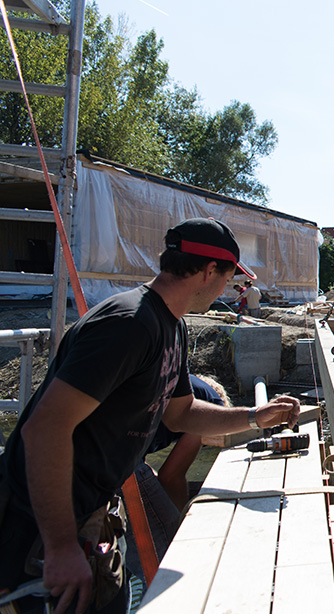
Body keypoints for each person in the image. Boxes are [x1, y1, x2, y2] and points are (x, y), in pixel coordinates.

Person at [0, 217, 300, 614]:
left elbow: (181, 414)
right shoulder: (127, 325)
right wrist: (59, 546)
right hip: (37, 531)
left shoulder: (169, 326)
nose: (225, 290)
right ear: (209, 270)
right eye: (227, 279)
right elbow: (44, 429)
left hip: (89, 515)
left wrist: (253, 416)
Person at [122, 374, 225, 593]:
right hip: (121, 472)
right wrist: (181, 527)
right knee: (170, 561)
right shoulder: (210, 404)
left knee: (122, 568)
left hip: (100, 470)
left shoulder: (169, 389)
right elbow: (172, 476)